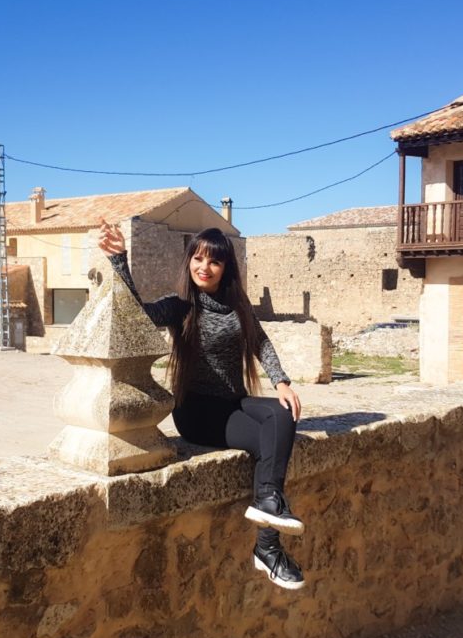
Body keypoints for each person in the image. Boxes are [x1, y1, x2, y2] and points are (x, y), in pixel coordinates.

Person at [98, 218, 307, 590]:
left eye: (213, 261)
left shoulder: (236, 304)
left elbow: (260, 341)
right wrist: (119, 261)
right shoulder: (181, 306)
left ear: (225, 268)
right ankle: (269, 545)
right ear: (189, 262)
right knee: (270, 443)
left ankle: (269, 520)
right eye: (197, 258)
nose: (203, 267)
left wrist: (282, 381)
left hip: (233, 403)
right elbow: (139, 316)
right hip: (196, 412)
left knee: (282, 413)